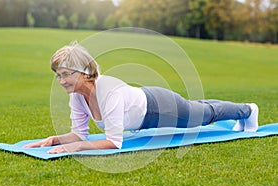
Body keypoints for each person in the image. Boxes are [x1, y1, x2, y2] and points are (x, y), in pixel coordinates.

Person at [24, 44, 259, 154]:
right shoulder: (77, 96)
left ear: (84, 72)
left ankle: (247, 110)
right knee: (202, 109)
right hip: (145, 103)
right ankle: (243, 111)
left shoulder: (108, 91)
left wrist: (76, 147)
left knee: (203, 115)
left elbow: (114, 142)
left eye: (66, 74)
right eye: (58, 76)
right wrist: (56, 139)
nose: (61, 81)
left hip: (159, 108)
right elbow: (79, 133)